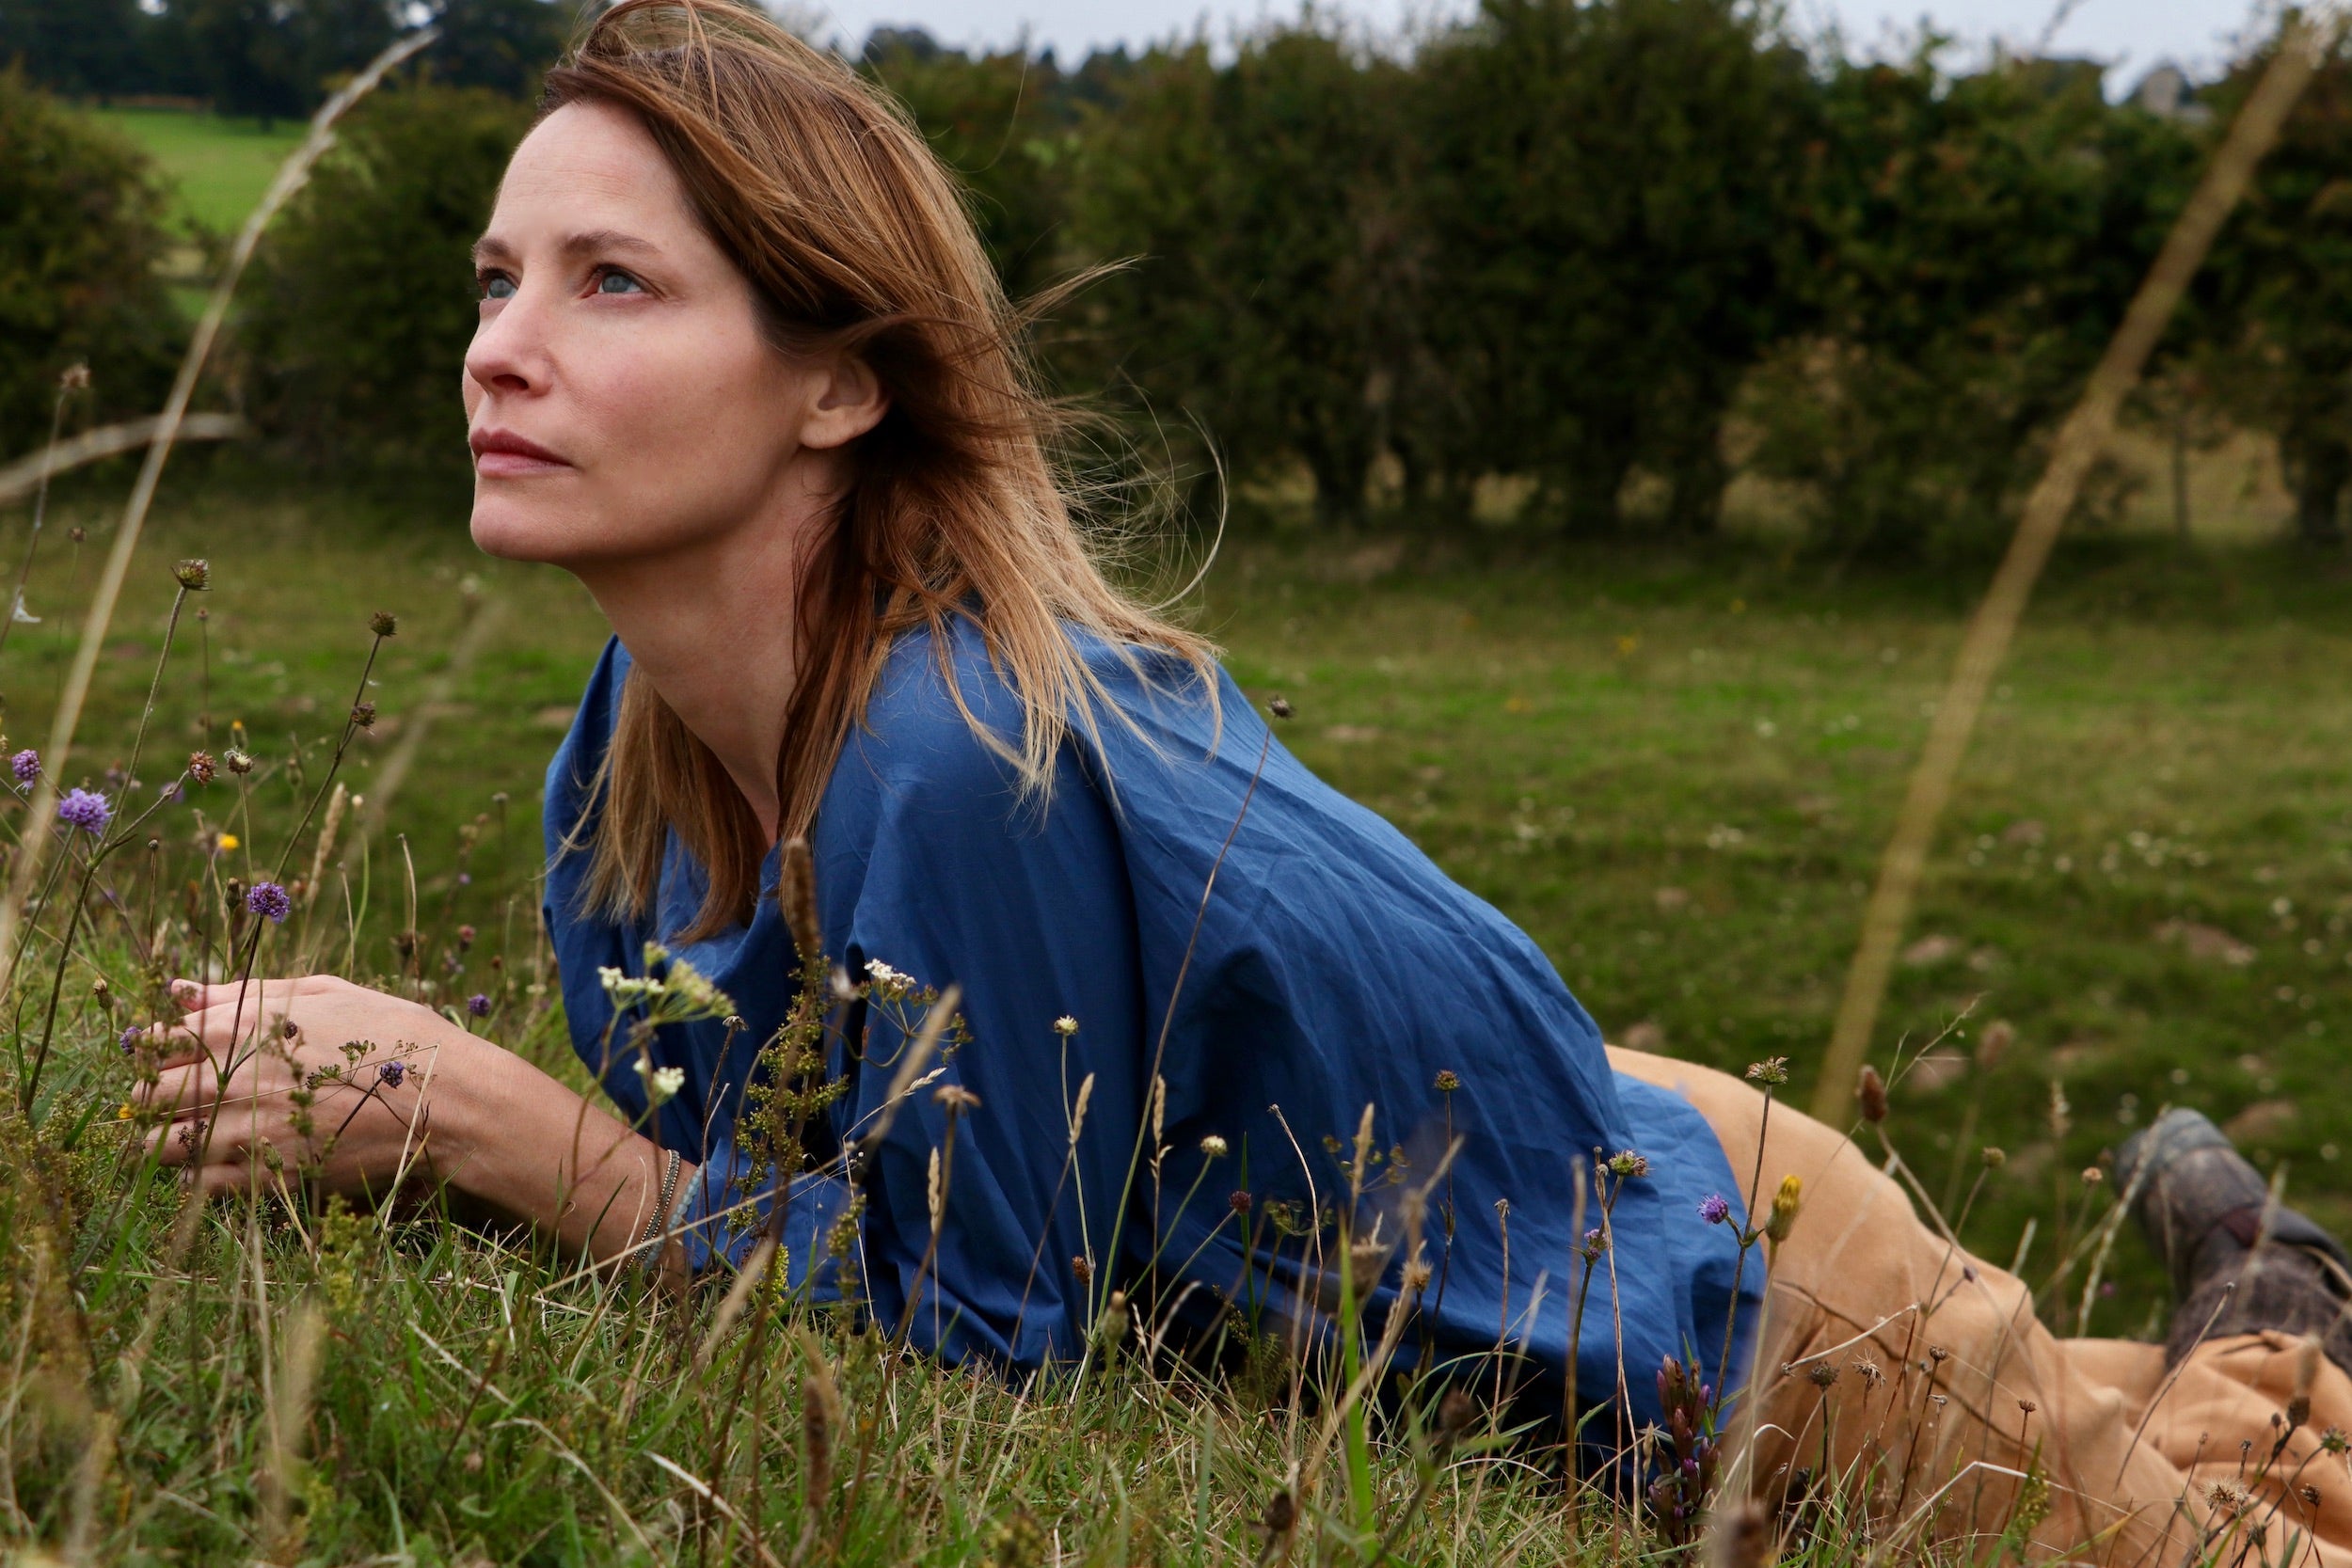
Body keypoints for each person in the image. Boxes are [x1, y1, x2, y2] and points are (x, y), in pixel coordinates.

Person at [138, 2, 2352, 1558]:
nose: (500, 340)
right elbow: (879, 1235)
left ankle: (2275, 1332)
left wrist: (507, 1134)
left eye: (612, 282)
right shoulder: (615, 775)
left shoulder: (949, 752)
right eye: (497, 274)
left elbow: (973, 1354)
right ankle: (2255, 1306)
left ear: (836, 388)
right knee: (2127, 1458)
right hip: (1491, 1186)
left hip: (1741, 1307)